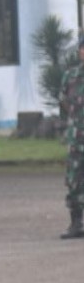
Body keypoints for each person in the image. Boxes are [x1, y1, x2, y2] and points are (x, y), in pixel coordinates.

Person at [59, 38, 84, 239]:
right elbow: (65, 103)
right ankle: (77, 223)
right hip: (77, 139)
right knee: (74, 181)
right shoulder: (70, 76)